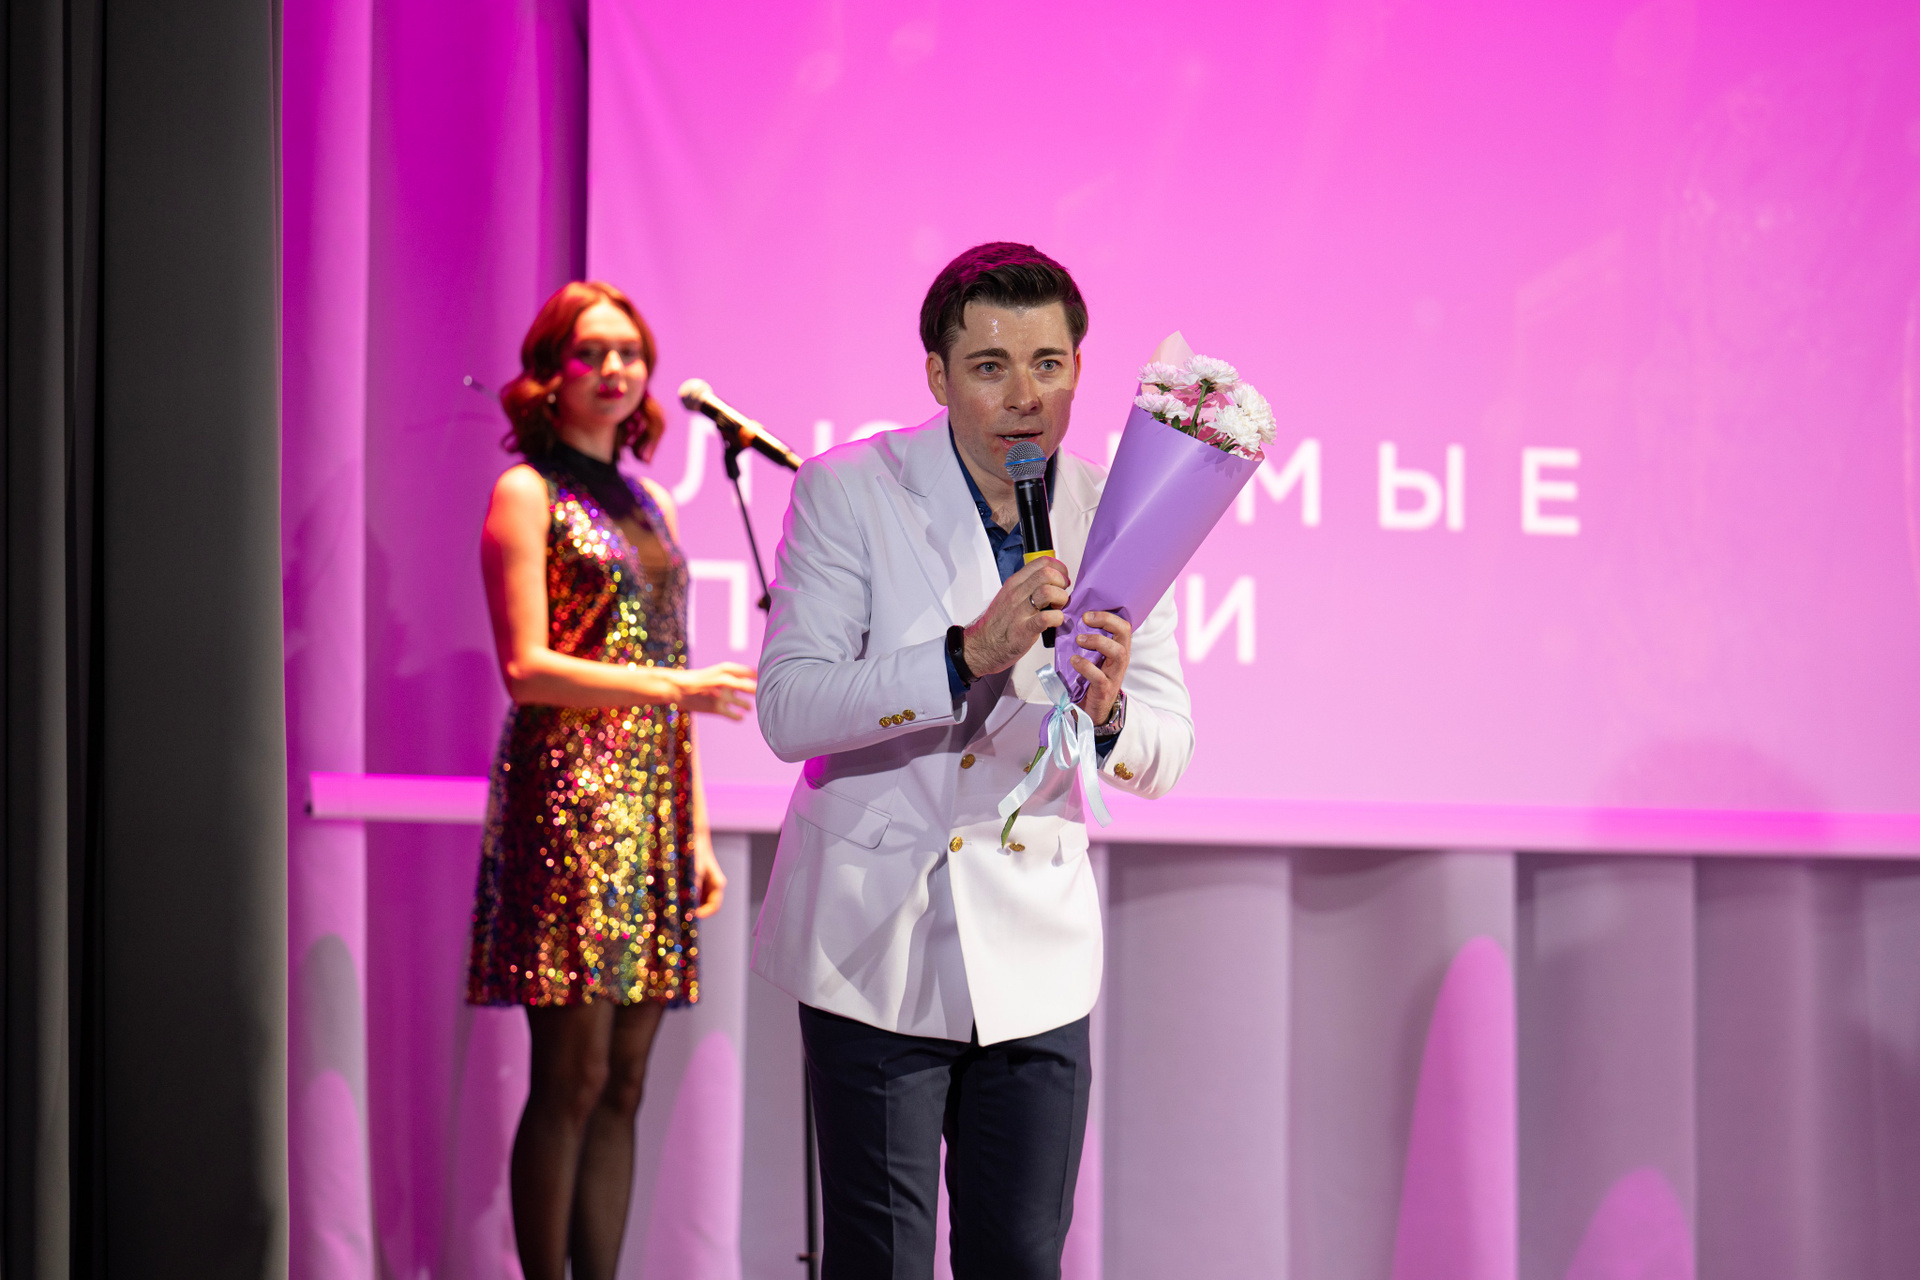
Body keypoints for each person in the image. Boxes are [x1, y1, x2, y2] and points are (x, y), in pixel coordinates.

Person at [753, 243, 1194, 1278]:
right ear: (938, 375)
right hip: (872, 941)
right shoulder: (849, 490)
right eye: (991, 366)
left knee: (1021, 1259)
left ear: (1079, 370)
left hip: (1036, 953)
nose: (1024, 397)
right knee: (882, 1257)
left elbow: (1167, 749)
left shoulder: (1118, 507)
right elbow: (789, 707)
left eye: (1049, 364)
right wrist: (962, 655)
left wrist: (1109, 712)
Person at [467, 280, 758, 1280]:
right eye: (592, 351)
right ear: (552, 371)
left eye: (629, 352)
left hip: (652, 802)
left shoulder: (654, 501)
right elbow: (527, 668)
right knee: (574, 1073)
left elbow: (671, 676)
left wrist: (697, 831)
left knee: (626, 1079)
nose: (614, 369)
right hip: (570, 799)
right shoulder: (526, 492)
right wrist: (676, 686)